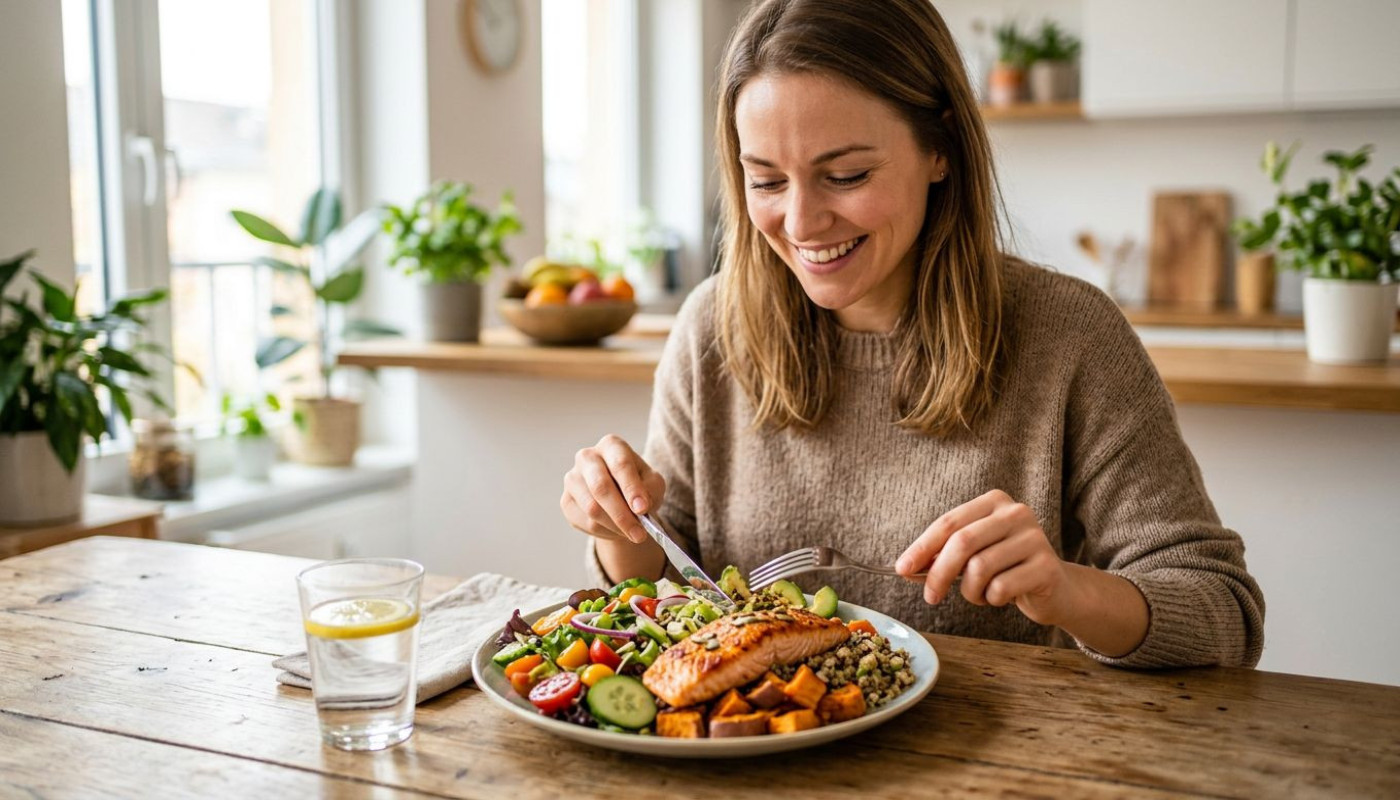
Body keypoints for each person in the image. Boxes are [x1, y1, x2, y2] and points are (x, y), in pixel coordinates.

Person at [559, 0, 1264, 668]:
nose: (802, 223)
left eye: (846, 174)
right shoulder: (712, 328)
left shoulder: (1070, 336)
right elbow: (657, 581)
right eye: (766, 182)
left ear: (941, 149)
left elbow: (1222, 613)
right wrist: (619, 527)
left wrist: (1067, 591)